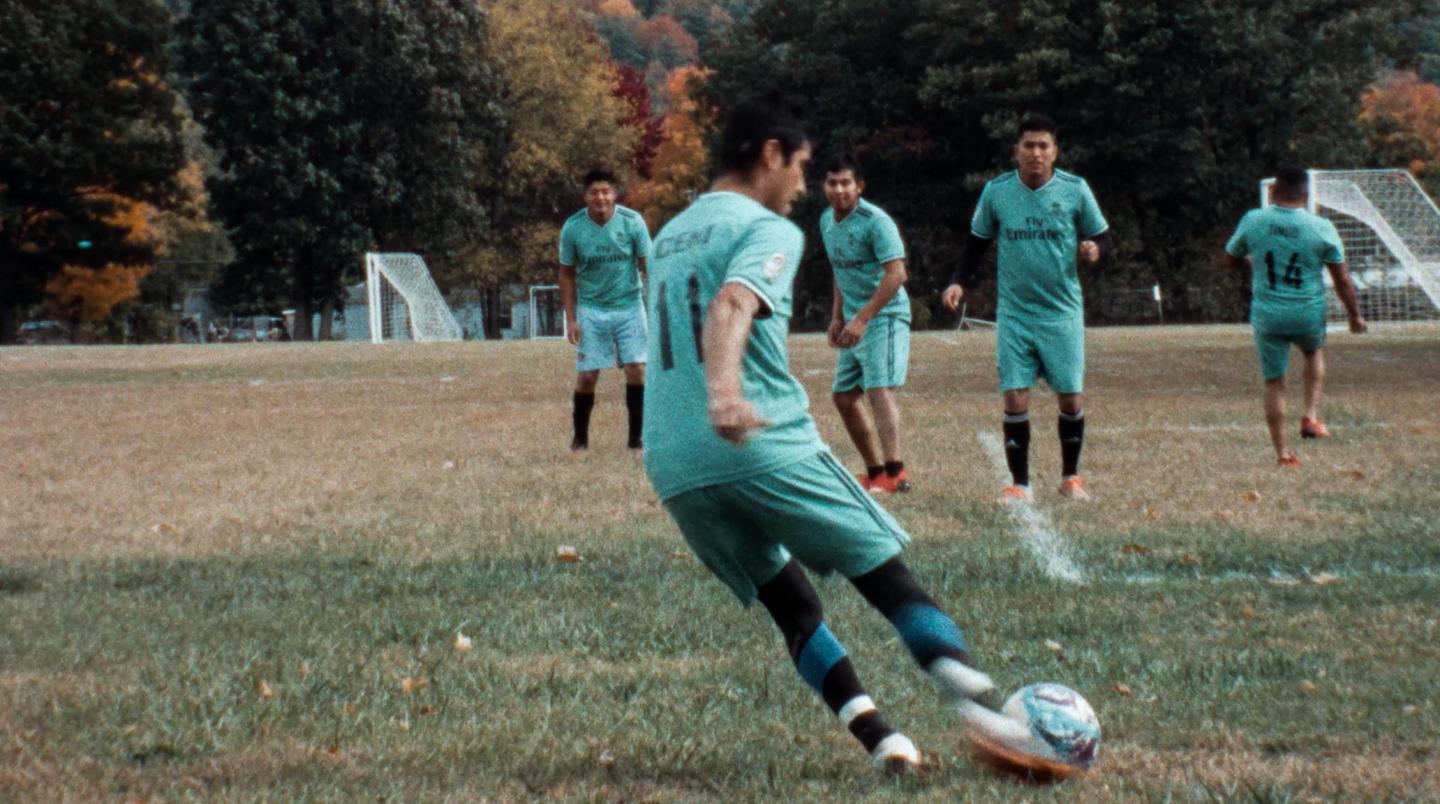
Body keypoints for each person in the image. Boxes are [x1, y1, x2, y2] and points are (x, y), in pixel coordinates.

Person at [643, 94, 998, 773]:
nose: (805, 187)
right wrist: (726, 395)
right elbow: (731, 305)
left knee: (794, 606)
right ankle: (995, 718)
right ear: (770, 156)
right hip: (757, 443)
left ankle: (885, 741)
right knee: (888, 579)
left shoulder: (669, 234)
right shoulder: (766, 227)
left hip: (674, 465)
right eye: (802, 166)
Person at [942, 115, 1113, 502]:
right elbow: (976, 242)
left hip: (1061, 313)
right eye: (1028, 145)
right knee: (1015, 396)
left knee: (1070, 397)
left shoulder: (1075, 190)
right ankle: (1020, 484)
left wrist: (1095, 249)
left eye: (1043, 146)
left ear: (1055, 151)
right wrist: (957, 280)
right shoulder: (997, 191)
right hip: (1015, 314)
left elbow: (1104, 236)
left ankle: (1071, 477)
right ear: (1016, 150)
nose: (1036, 153)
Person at [1224, 166, 1367, 467]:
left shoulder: (1254, 220)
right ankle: (1311, 417)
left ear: (1274, 190)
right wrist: (1355, 315)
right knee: (1313, 352)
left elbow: (1230, 259)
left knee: (1275, 383)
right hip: (1307, 312)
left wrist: (1252, 262)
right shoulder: (1321, 226)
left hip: (1268, 314)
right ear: (1305, 193)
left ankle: (1283, 454)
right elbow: (1341, 279)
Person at [820, 153, 913, 493]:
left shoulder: (877, 221)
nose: (839, 189)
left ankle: (896, 473)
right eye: (833, 183)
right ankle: (874, 472)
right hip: (854, 319)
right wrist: (837, 316)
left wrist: (861, 319)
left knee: (878, 388)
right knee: (843, 397)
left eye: (846, 183)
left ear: (859, 186)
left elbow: (896, 274)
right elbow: (839, 270)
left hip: (884, 315)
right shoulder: (826, 222)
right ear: (824, 187)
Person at [558, 169, 652, 450]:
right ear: (585, 196)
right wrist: (571, 319)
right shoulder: (573, 228)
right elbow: (566, 275)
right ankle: (580, 439)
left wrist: (657, 305)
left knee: (637, 370)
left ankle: (636, 440)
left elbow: (648, 266)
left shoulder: (633, 223)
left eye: (606, 191)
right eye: (594, 192)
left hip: (629, 306)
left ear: (615, 195)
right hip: (592, 309)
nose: (601, 197)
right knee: (588, 376)